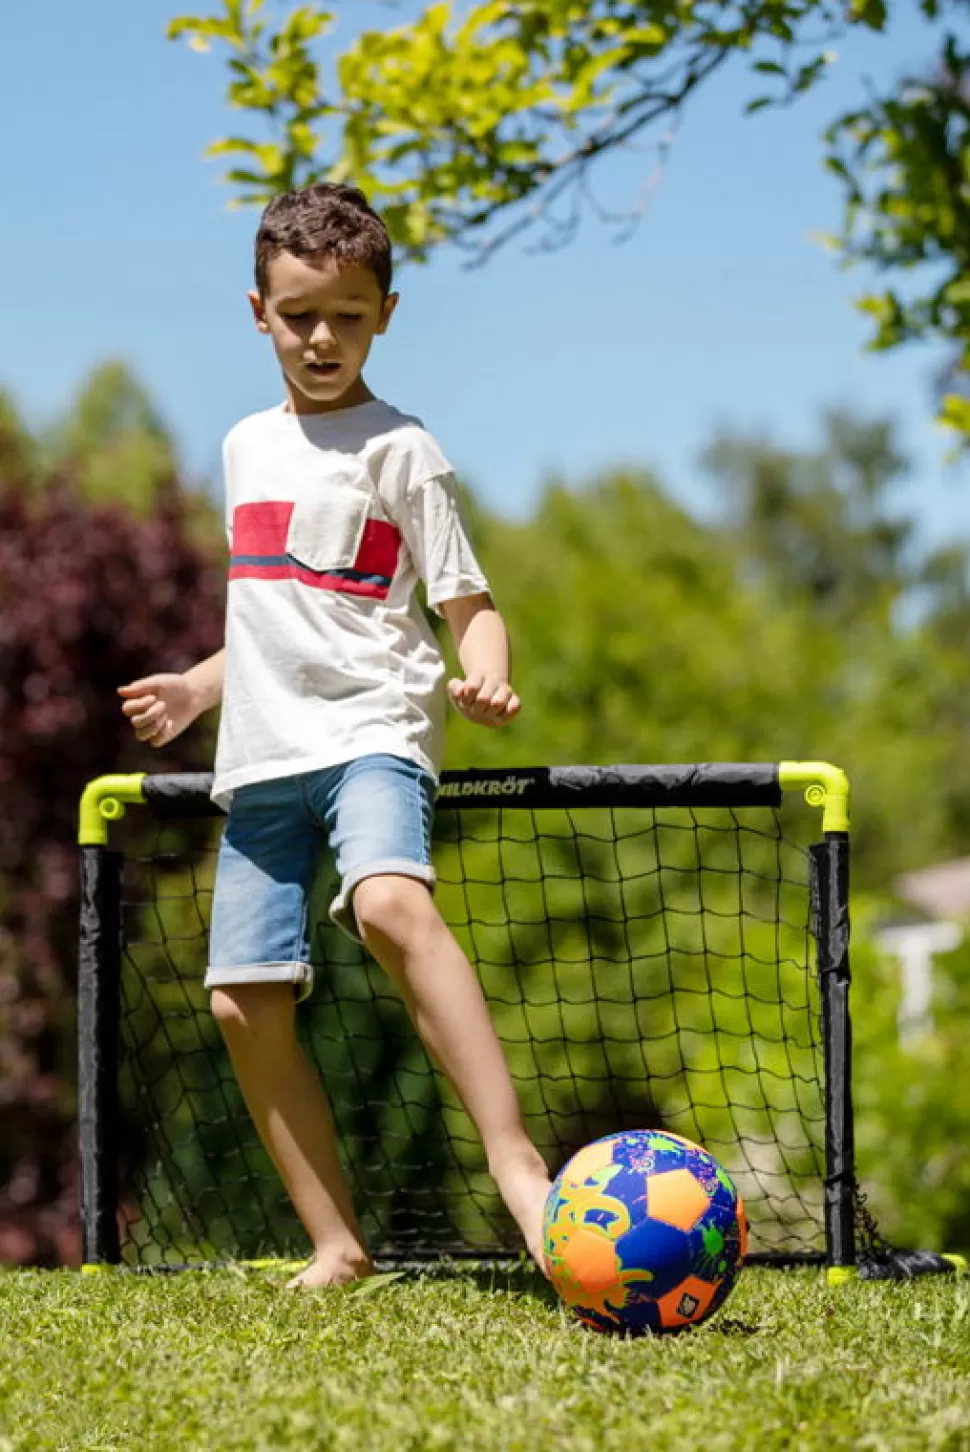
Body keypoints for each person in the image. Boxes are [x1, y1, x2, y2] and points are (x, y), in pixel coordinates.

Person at [118, 183, 552, 1288]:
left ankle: (517, 1169)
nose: (323, 337)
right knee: (240, 999)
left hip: (373, 728)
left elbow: (468, 604)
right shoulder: (243, 448)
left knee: (389, 903)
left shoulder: (402, 450)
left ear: (387, 314)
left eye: (348, 315)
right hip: (262, 752)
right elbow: (276, 611)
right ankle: (337, 1243)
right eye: (301, 313)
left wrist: (485, 678)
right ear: (256, 311)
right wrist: (199, 688)